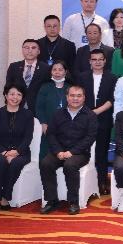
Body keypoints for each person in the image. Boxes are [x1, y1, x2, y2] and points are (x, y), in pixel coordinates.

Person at [39, 85, 98, 215]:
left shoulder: (90, 115)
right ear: (67, 97)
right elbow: (51, 134)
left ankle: (73, 202)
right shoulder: (58, 114)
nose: (75, 99)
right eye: (72, 95)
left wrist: (72, 152)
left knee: (70, 165)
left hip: (80, 153)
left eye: (79, 96)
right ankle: (51, 201)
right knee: (45, 163)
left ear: (84, 98)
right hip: (59, 151)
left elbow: (90, 138)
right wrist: (58, 151)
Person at [0, 84, 34, 212]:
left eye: (19, 94)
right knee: (0, 162)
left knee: (16, 163)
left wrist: (17, 152)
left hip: (21, 152)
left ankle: (4, 197)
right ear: (6, 95)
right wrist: (4, 153)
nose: (15, 97)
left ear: (22, 97)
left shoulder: (27, 115)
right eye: (12, 94)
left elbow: (28, 138)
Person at [77, 49, 118, 195]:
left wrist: (97, 111)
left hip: (104, 118)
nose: (97, 62)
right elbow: (78, 97)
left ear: (105, 61)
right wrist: (88, 113)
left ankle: (102, 181)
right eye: (94, 59)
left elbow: (112, 99)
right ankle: (85, 182)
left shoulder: (112, 78)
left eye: (100, 59)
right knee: (84, 150)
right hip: (84, 118)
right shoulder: (82, 77)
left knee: (101, 152)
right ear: (90, 61)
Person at [35, 60, 71, 159]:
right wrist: (43, 123)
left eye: (60, 69)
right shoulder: (45, 87)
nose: (57, 72)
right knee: (46, 157)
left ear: (65, 72)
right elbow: (39, 107)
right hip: (48, 126)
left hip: (66, 127)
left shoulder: (70, 88)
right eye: (54, 69)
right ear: (51, 72)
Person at [6, 39, 49, 114]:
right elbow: (8, 87)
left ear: (39, 51)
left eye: (33, 48)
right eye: (26, 48)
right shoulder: (14, 67)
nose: (30, 51)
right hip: (16, 107)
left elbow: (48, 90)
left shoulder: (46, 68)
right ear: (22, 50)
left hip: (38, 109)